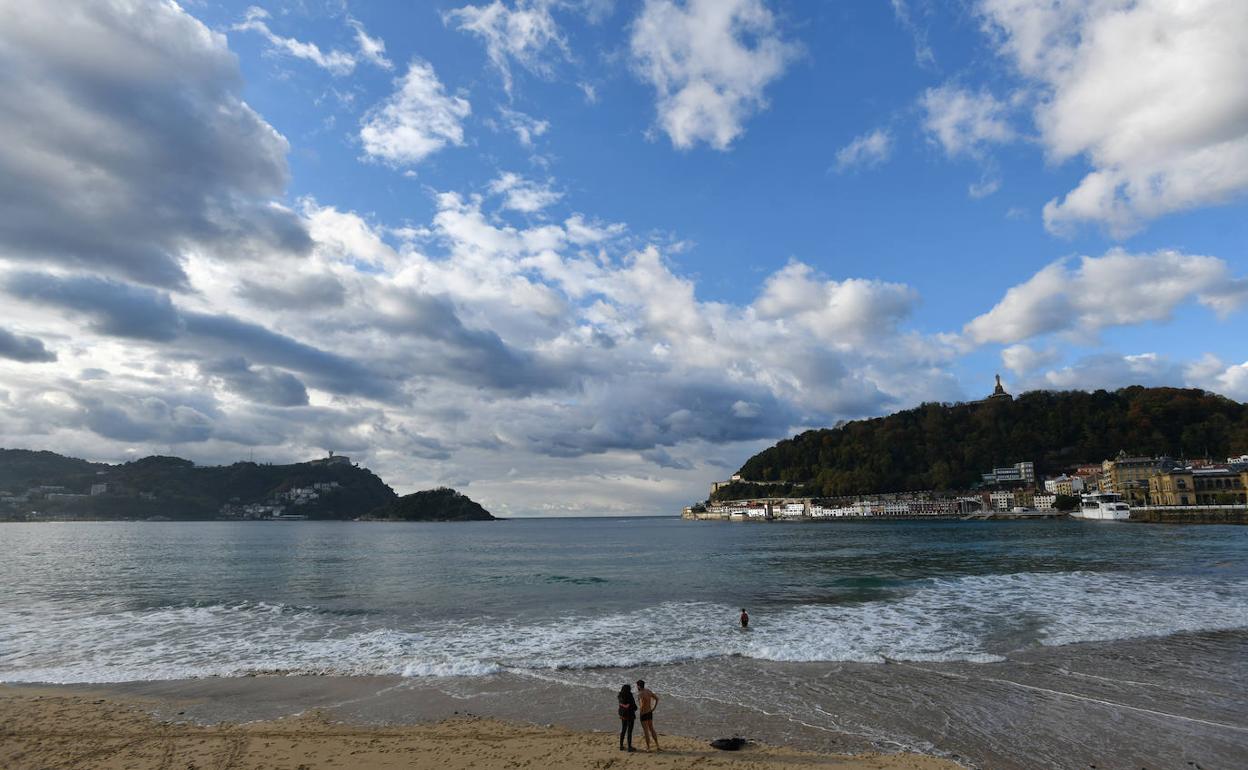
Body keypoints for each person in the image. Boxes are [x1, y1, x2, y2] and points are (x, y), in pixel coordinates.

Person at [635, 679, 660, 751]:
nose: (636, 687)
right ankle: (657, 745)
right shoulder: (648, 691)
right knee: (652, 729)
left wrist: (640, 710)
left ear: (639, 686)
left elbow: (642, 705)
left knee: (646, 731)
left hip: (644, 713)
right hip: (649, 712)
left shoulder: (640, 694)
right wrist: (654, 708)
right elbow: (657, 698)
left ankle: (648, 747)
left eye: (637, 685)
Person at [617, 684, 637, 751]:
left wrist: (623, 705)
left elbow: (623, 705)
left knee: (623, 730)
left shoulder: (620, 696)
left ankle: (621, 746)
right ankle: (629, 747)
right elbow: (630, 705)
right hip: (630, 715)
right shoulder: (629, 695)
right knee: (629, 731)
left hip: (623, 715)